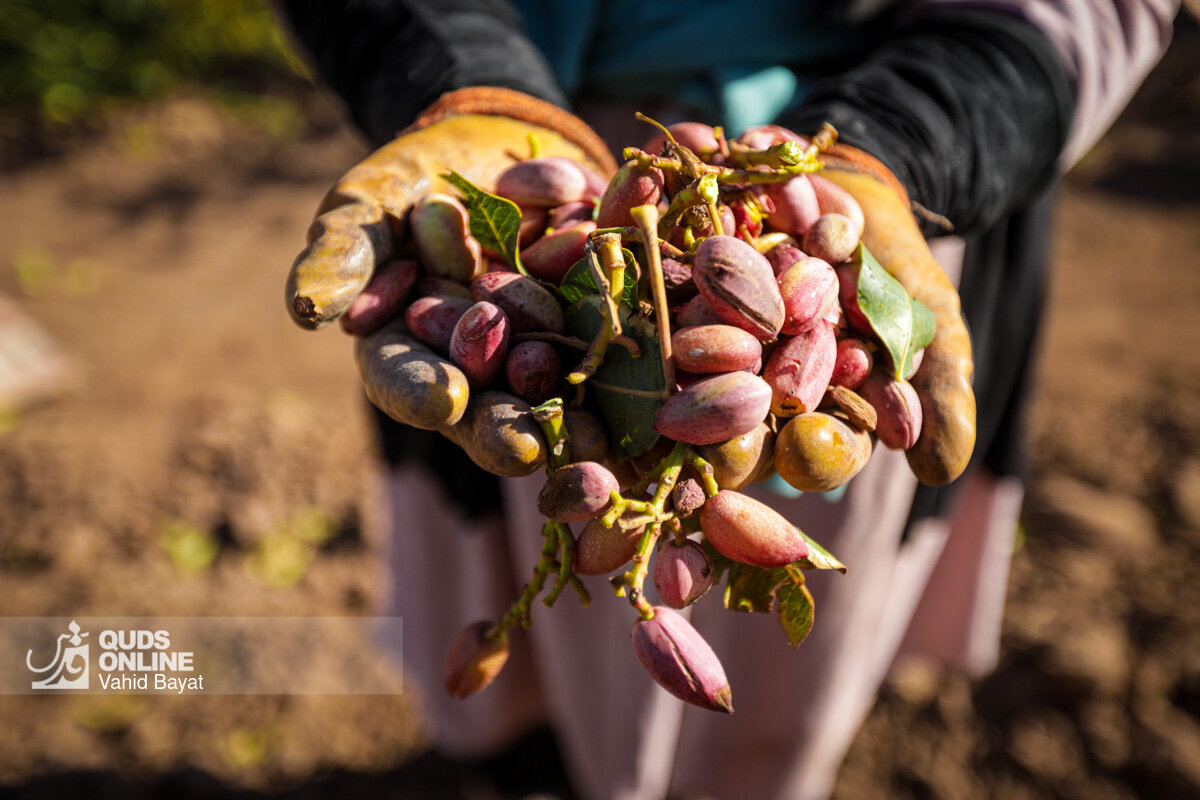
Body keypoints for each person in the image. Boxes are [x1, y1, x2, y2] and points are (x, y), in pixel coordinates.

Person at [277, 2, 1179, 798]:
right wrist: (461, 77)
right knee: (500, 489)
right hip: (511, 207)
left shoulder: (804, 284)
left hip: (878, 171)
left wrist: (909, 136)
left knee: (782, 681)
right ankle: (524, 762)